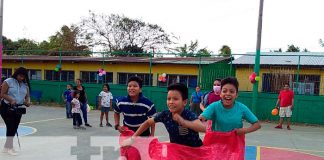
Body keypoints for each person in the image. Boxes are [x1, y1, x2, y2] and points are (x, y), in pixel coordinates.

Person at [122, 83, 205, 147]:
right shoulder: (165, 114)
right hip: (176, 150)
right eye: (168, 99)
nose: (171, 102)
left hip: (194, 151)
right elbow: (147, 123)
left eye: (175, 99)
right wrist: (133, 138)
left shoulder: (189, 115)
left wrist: (184, 122)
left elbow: (203, 128)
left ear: (185, 102)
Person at [0, 67, 31, 156]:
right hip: (6, 107)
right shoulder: (8, 81)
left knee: (14, 127)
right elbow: (2, 94)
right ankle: (10, 147)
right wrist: (11, 100)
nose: (21, 78)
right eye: (20, 76)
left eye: (23, 77)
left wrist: (27, 102)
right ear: (16, 74)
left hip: (18, 109)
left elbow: (27, 97)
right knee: (10, 127)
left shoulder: (25, 85)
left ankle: (6, 147)